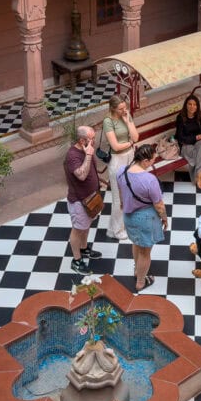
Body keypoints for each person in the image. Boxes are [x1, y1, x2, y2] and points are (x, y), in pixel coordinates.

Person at [118, 143, 168, 292]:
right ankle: (141, 281)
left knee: (136, 243)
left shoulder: (121, 171)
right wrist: (165, 218)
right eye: (153, 159)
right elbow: (159, 204)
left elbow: (121, 192)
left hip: (128, 216)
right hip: (146, 219)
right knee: (145, 252)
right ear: (145, 161)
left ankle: (136, 270)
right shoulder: (149, 179)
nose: (153, 162)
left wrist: (123, 204)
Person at [63, 125, 104, 274]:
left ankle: (84, 248)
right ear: (81, 140)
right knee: (78, 229)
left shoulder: (87, 149)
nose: (93, 141)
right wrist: (88, 156)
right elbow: (81, 175)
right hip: (79, 201)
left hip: (91, 198)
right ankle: (76, 260)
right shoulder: (73, 156)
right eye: (91, 139)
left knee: (86, 226)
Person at [103, 94, 139, 241]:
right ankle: (117, 231)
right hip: (117, 160)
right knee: (118, 198)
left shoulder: (126, 116)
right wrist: (130, 143)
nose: (124, 110)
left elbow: (136, 137)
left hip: (130, 157)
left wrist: (127, 120)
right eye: (120, 109)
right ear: (112, 108)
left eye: (125, 107)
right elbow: (116, 146)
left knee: (128, 194)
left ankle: (114, 229)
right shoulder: (108, 121)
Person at [175, 94, 201, 192]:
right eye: (190, 104)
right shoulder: (181, 118)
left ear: (197, 106)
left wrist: (198, 138)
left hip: (197, 143)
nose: (192, 107)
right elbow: (180, 137)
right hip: (185, 145)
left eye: (195, 105)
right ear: (186, 105)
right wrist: (195, 138)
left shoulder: (198, 116)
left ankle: (199, 177)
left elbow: (200, 132)